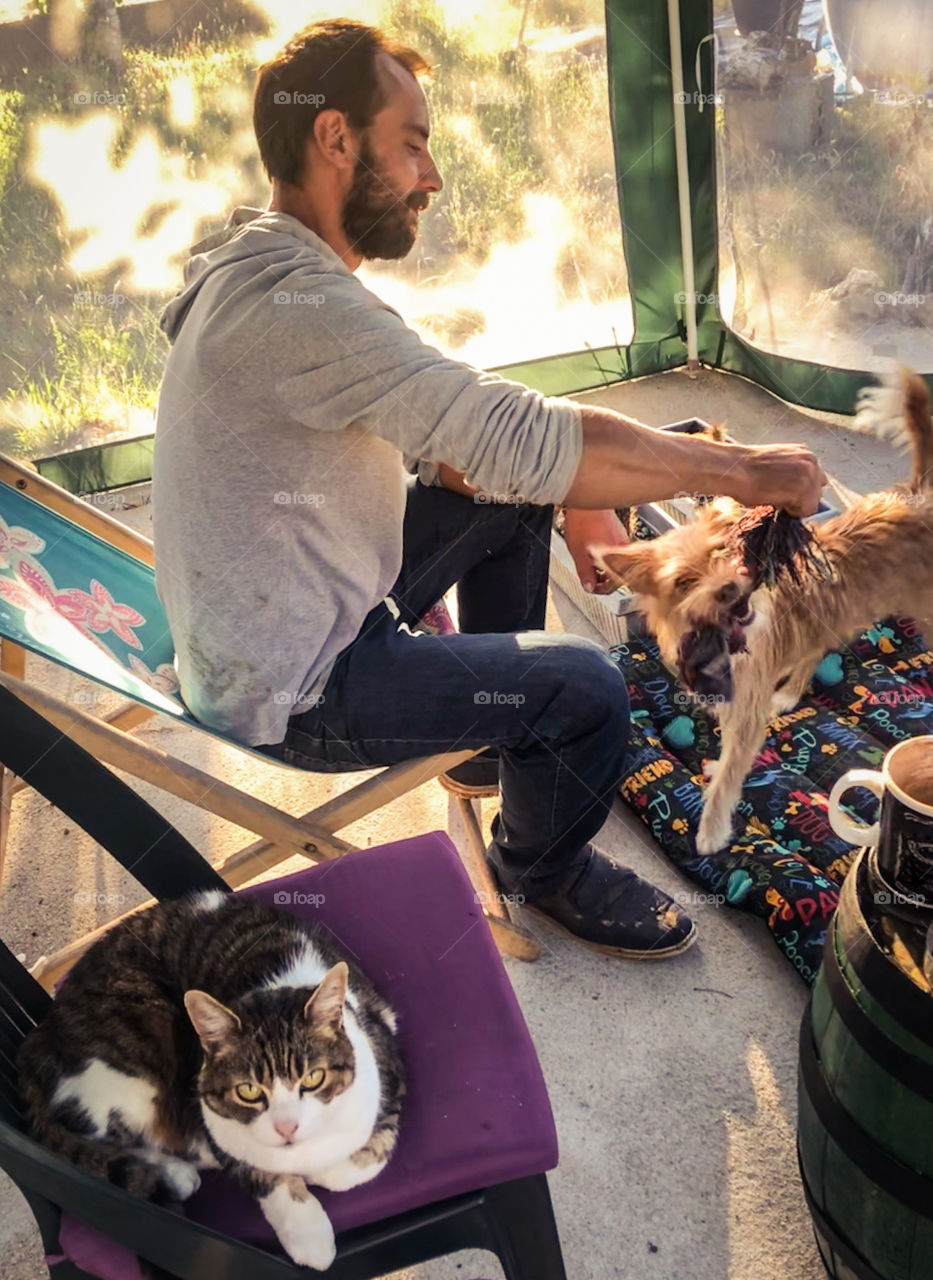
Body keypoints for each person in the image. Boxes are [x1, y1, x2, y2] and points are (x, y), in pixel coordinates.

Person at [152, 18, 825, 960]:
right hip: (298, 684)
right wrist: (745, 471)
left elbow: (459, 432)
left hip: (284, 609)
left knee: (516, 483)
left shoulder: (254, 264)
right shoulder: (298, 308)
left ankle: (487, 736)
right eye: (414, 141)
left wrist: (564, 485)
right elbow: (510, 435)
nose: (431, 175)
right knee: (586, 687)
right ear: (335, 137)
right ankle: (539, 867)